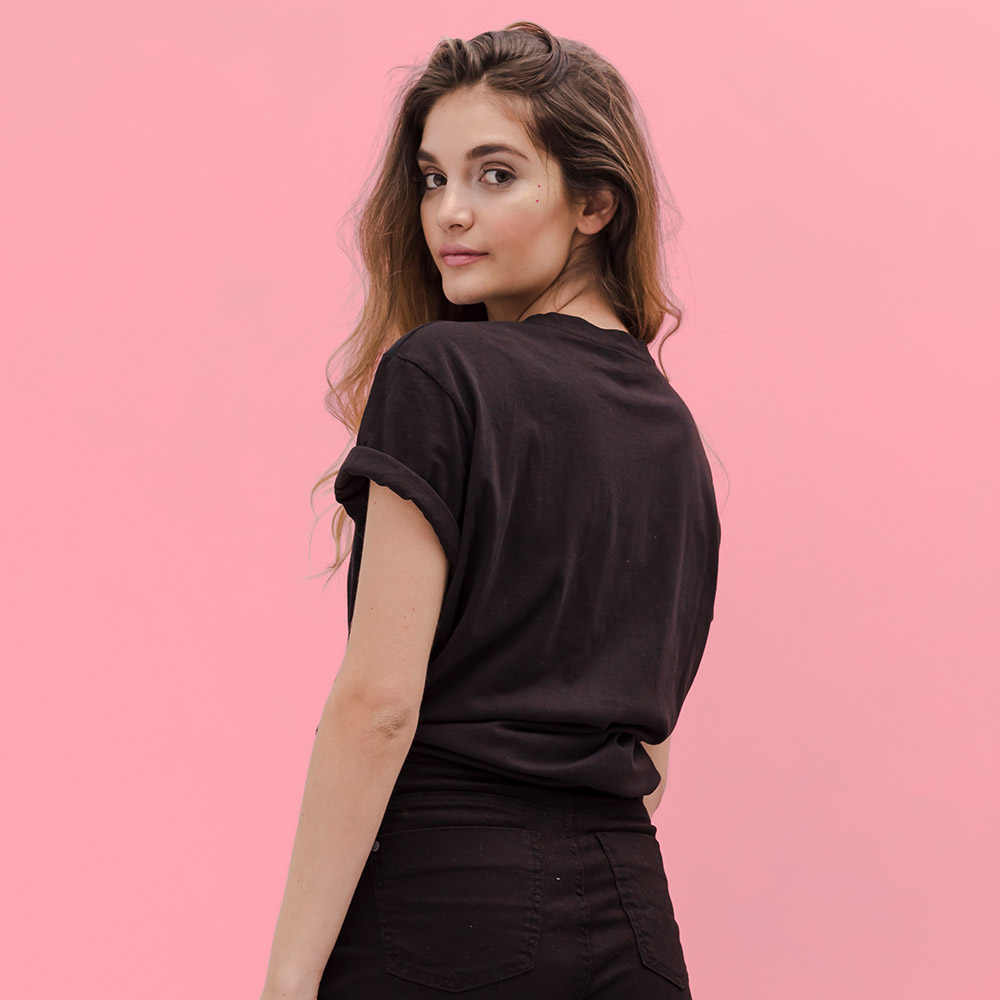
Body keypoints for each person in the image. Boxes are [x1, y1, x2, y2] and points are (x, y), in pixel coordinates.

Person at [260, 21, 721, 1000]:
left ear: (594, 203)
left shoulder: (440, 373)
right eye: (433, 178)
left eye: (495, 175)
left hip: (443, 910)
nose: (450, 212)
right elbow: (650, 738)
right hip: (633, 924)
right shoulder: (672, 429)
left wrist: (288, 979)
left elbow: (379, 705)